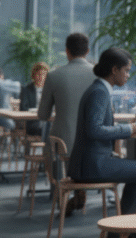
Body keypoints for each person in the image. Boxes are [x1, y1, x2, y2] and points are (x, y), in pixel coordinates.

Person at [67, 47, 136, 238]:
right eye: (126, 70)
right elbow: (94, 130)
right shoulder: (100, 92)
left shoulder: (97, 89)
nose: (128, 75)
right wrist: (127, 129)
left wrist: (125, 128)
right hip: (92, 165)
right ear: (114, 70)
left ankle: (120, 232)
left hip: (87, 163)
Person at [38, 32, 94, 212]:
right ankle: (80, 187)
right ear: (87, 51)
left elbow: (42, 115)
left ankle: (62, 193)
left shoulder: (54, 76)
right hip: (93, 144)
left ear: (67, 51)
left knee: (51, 149)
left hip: (63, 144)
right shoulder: (99, 75)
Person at [19, 61, 49, 136]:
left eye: (44, 74)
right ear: (34, 75)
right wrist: (35, 111)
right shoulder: (26, 89)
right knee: (47, 130)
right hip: (32, 122)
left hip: (47, 121)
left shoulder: (49, 89)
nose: (41, 77)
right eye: (38, 74)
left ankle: (51, 147)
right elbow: (23, 108)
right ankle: (48, 147)